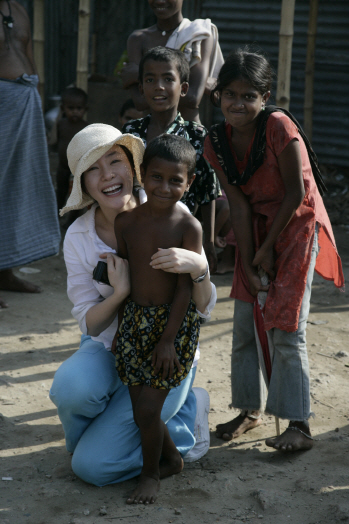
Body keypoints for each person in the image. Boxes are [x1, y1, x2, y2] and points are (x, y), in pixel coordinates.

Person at [49, 123, 216, 487]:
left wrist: (200, 267)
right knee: (73, 390)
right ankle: (95, 442)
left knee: (103, 461)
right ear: (83, 182)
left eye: (115, 161)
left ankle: (187, 420)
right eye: (93, 168)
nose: (107, 175)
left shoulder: (174, 210)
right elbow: (90, 325)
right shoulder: (81, 235)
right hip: (116, 341)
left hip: (168, 344)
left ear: (133, 167)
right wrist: (121, 293)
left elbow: (202, 308)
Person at [204, 48, 344, 451]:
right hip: (256, 230)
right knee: (246, 323)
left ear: (265, 98)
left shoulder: (279, 126)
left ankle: (299, 424)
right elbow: (240, 205)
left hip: (297, 225)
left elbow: (297, 194)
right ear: (218, 96)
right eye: (230, 94)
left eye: (249, 96)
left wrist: (266, 250)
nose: (238, 103)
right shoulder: (217, 141)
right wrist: (248, 261)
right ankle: (249, 410)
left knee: (285, 326)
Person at [114, 134, 202, 504]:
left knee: (149, 409)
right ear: (142, 175)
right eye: (156, 177)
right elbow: (125, 278)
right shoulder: (126, 222)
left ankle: (151, 474)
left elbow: (184, 288)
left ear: (189, 182)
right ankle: (171, 458)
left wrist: (168, 339)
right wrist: (122, 330)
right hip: (134, 322)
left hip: (174, 326)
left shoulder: (188, 226)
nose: (165, 187)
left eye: (175, 180)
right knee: (141, 411)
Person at [122, 46, 221, 273]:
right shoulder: (130, 132)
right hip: (138, 234)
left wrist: (210, 242)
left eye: (168, 79)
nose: (159, 86)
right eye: (150, 79)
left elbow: (208, 191)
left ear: (183, 88)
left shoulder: (197, 136)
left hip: (181, 236)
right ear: (141, 87)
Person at [0, 0, 60, 308]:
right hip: (2, 101)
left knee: (17, 186)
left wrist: (38, 105)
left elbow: (31, 60)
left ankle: (5, 271)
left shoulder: (19, 9)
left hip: (25, 101)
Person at [120, 0, 223, 123]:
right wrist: (197, 81)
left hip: (187, 132)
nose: (159, 1)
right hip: (152, 132)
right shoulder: (138, 39)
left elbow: (193, 97)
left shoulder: (198, 34)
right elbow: (140, 103)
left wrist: (139, 75)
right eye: (150, 79)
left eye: (168, 79)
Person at [56, 86, 88, 213]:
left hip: (78, 169)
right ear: (63, 109)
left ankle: (72, 219)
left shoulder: (86, 127)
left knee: (76, 194)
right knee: (61, 191)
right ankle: (57, 214)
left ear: (85, 109)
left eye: (79, 108)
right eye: (71, 108)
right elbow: (58, 140)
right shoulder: (61, 124)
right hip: (63, 166)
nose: (75, 112)